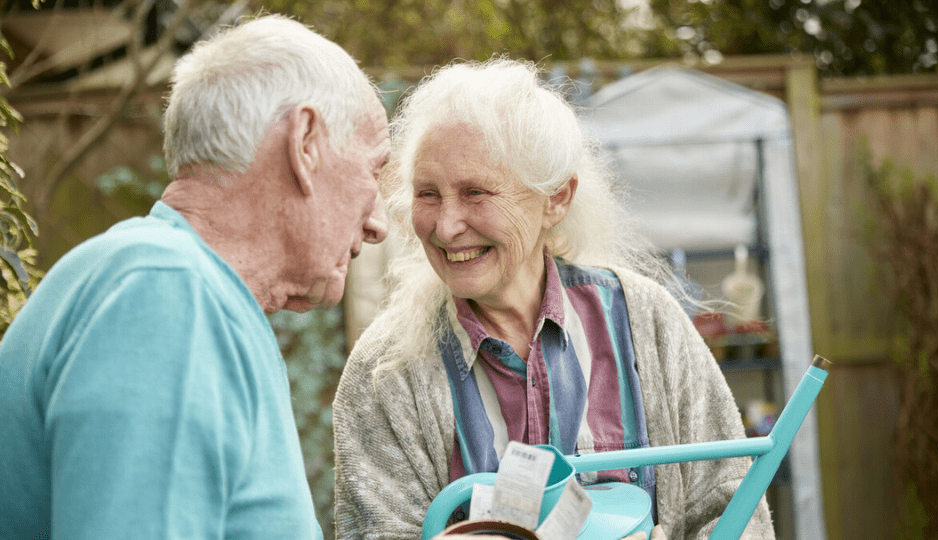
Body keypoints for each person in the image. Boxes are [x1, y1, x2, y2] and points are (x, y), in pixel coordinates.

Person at [332, 58, 775, 540]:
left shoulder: (646, 322)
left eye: (476, 192)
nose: (445, 226)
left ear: (556, 199)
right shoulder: (385, 372)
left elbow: (733, 501)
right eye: (428, 194)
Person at [0, 15, 390, 540]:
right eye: (374, 169)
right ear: (305, 142)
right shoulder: (167, 296)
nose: (378, 223)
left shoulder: (169, 285)